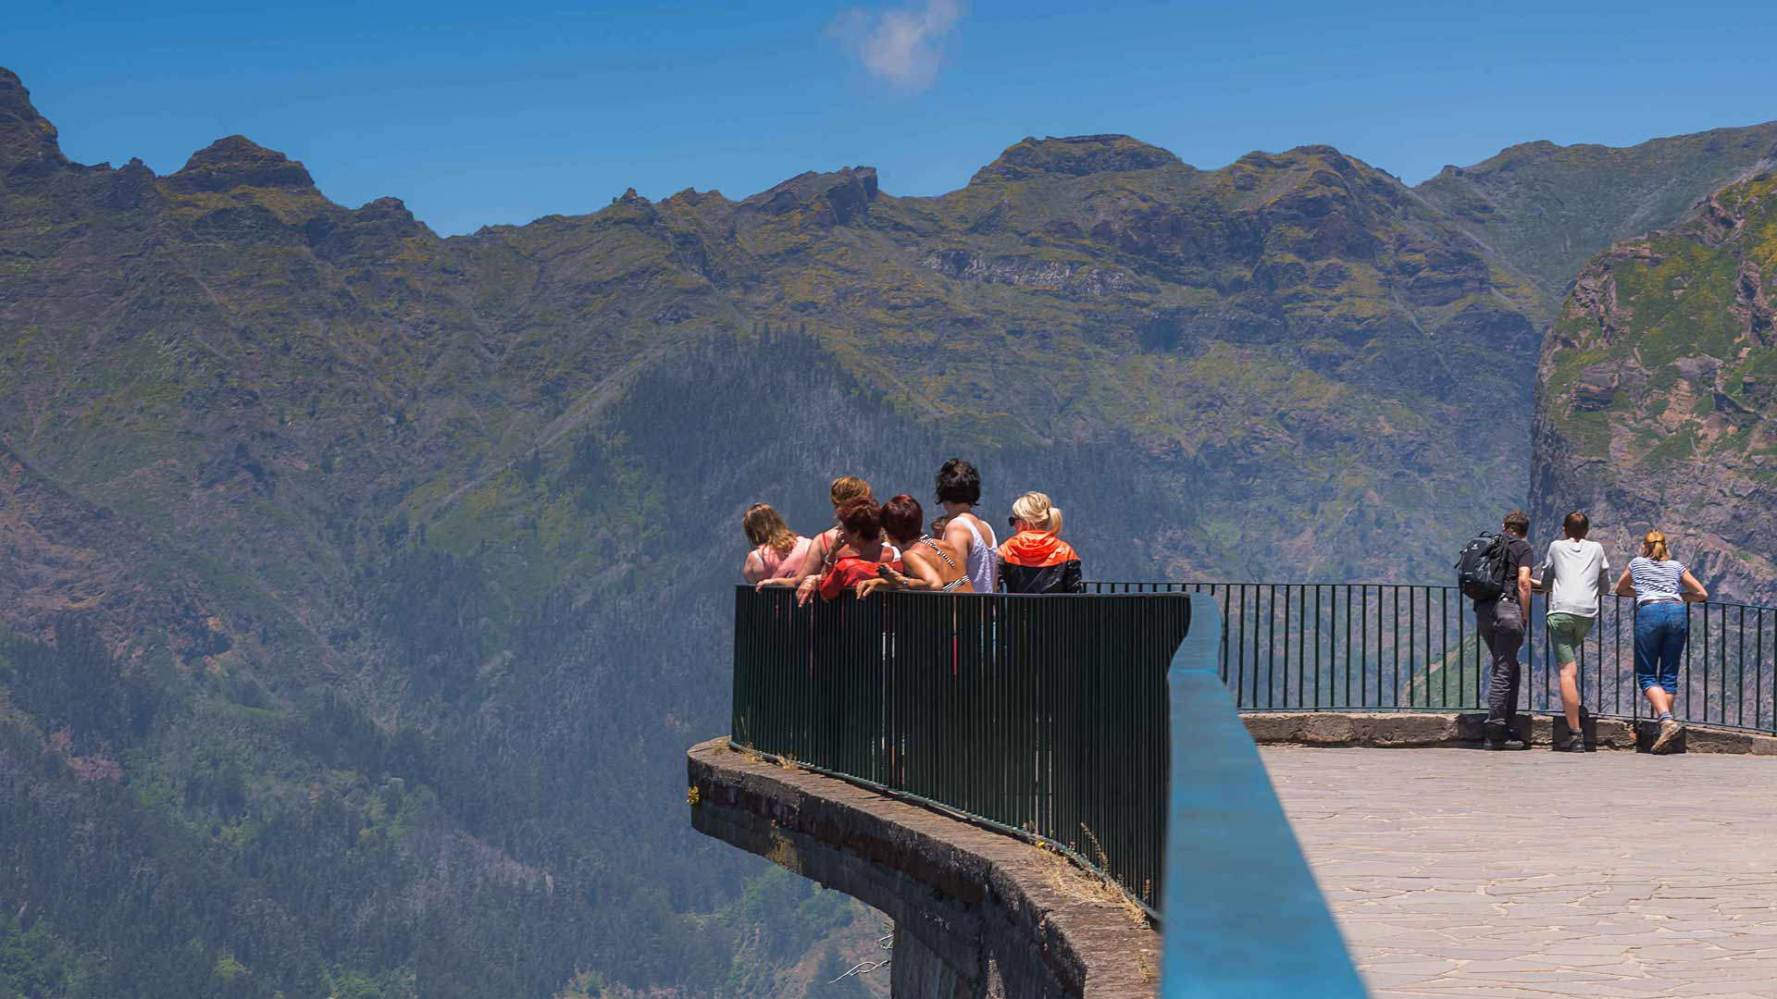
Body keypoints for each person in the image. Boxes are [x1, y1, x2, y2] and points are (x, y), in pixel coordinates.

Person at [1613, 530, 1709, 753]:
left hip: (1651, 612)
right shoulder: (1676, 566)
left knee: (1646, 674)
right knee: (1669, 673)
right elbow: (1701, 593)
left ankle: (1666, 720)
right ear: (1665, 546)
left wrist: (1645, 592)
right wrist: (1675, 595)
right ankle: (1665, 731)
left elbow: (1620, 589)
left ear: (1644, 546)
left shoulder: (1637, 564)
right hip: (1676, 612)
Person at [1539, 511, 1611, 752]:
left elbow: (1548, 579)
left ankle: (1575, 733)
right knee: (1571, 664)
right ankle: (1576, 710)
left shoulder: (1556, 547)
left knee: (1567, 671)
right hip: (1587, 614)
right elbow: (1605, 585)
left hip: (1561, 612)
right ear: (1587, 530)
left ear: (1564, 529)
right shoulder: (1598, 549)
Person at [1476, 511, 1535, 750]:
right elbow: (1523, 582)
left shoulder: (1490, 545)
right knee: (1503, 668)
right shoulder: (1523, 549)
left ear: (1504, 526)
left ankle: (1505, 725)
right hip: (1508, 609)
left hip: (1484, 610)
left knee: (1509, 666)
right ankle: (1496, 732)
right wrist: (1525, 613)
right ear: (1525, 530)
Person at [856, 494, 972, 596]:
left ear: (888, 533)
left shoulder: (911, 555)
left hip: (954, 616)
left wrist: (900, 580)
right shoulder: (945, 545)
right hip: (975, 611)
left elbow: (934, 584)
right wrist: (882, 582)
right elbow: (951, 585)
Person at [809, 499, 902, 603]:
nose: (840, 533)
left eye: (842, 529)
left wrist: (832, 553)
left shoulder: (846, 567)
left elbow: (826, 592)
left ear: (856, 534)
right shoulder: (897, 558)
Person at [997, 492, 1084, 594]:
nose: (1013, 525)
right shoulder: (1066, 552)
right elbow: (1076, 594)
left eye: (1013, 520)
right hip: (1056, 610)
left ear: (1023, 522)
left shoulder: (1006, 550)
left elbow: (993, 586)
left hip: (1018, 610)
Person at [936, 459, 999, 594]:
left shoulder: (957, 528)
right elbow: (992, 583)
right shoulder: (987, 528)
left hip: (965, 612)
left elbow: (954, 580)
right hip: (985, 609)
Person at [740, 503, 812, 584]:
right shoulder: (807, 545)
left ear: (752, 533)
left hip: (774, 596)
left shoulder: (754, 559)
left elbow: (754, 591)